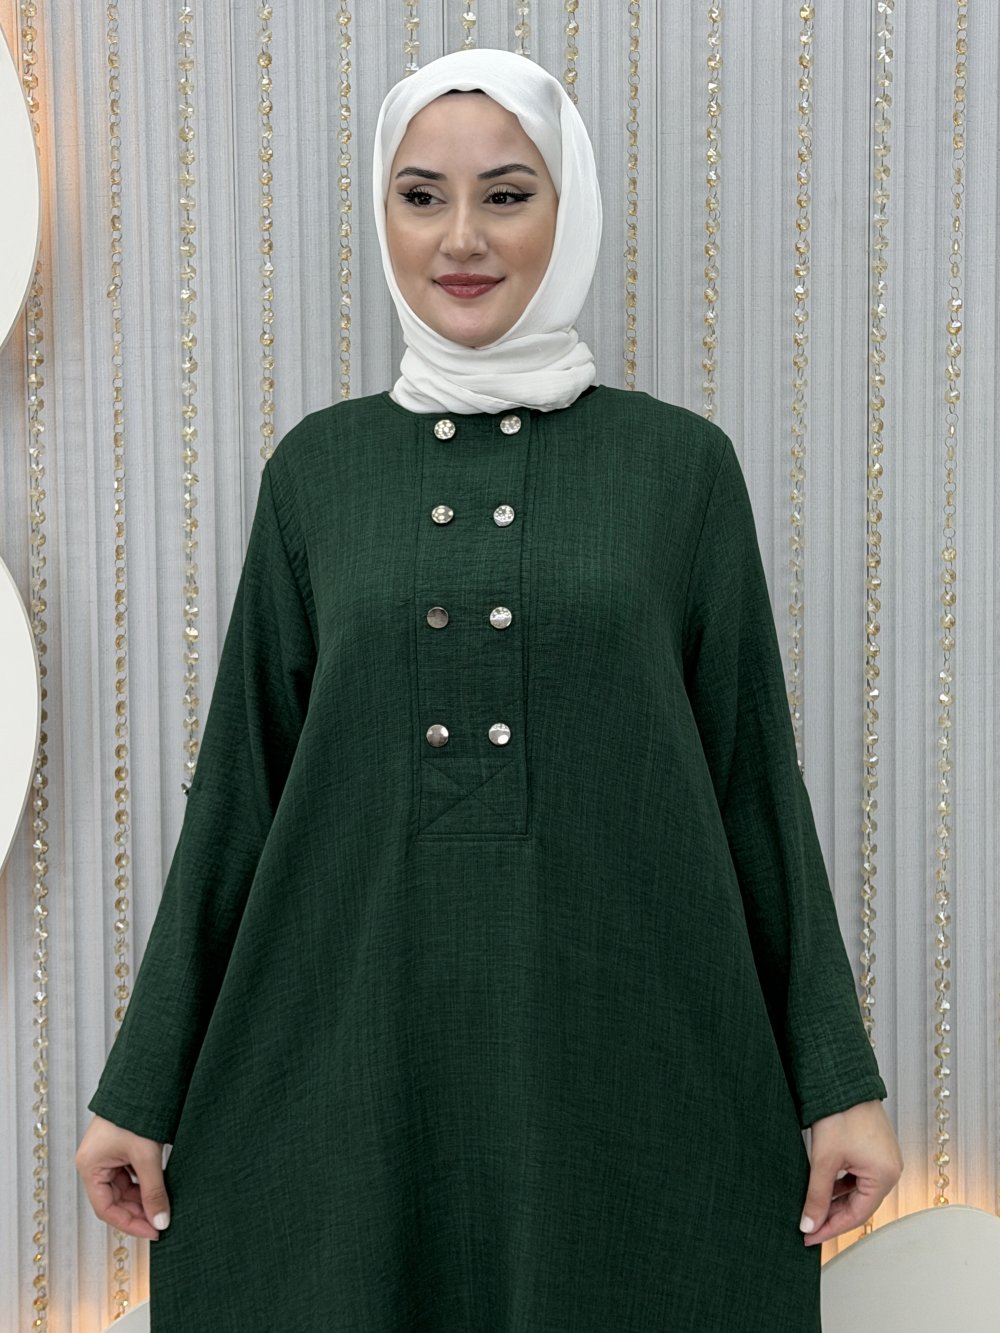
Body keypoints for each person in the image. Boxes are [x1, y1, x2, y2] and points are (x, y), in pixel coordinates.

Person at [77, 47, 903, 1330]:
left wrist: (835, 1080)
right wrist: (142, 1088)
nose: (460, 237)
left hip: (624, 1048)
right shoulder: (318, 474)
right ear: (384, 215)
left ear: (567, 212)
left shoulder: (679, 469)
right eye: (421, 197)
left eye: (506, 195)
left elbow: (752, 782)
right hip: (355, 1057)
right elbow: (241, 787)